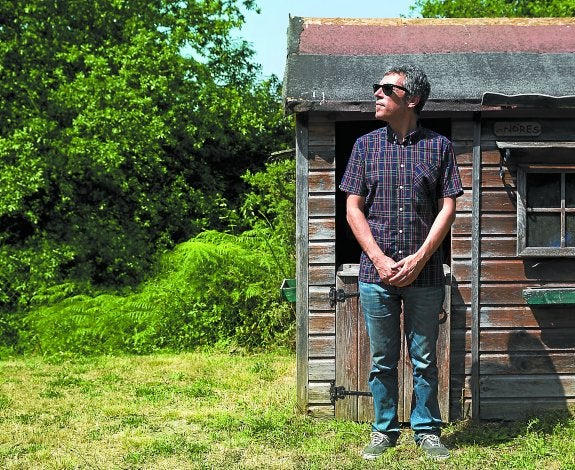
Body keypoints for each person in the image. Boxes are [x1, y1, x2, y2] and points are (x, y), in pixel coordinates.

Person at [339, 65, 463, 461]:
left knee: (424, 359)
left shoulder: (439, 147)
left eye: (386, 89)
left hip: (425, 275)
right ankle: (384, 430)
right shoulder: (365, 146)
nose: (377, 93)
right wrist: (378, 258)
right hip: (375, 275)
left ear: (412, 99)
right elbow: (353, 209)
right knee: (382, 359)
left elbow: (448, 209)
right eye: (376, 87)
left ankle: (426, 431)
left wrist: (421, 258)